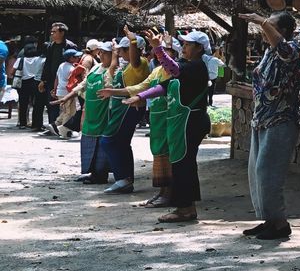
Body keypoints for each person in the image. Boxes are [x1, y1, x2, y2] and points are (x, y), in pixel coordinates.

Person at [128, 30, 213, 224]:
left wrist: (157, 48)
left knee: (183, 164)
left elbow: (173, 70)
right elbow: (165, 86)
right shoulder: (186, 65)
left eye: (188, 45)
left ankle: (184, 209)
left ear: (199, 48)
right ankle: (187, 206)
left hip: (190, 122)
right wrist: (140, 96)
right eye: (182, 44)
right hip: (181, 122)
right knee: (182, 164)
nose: (183, 47)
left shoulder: (198, 66)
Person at [240, 11, 300, 241]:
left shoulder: (291, 50)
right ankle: (269, 220)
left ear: (282, 31)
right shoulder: (268, 52)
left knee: (269, 173)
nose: (263, 31)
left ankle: (280, 223)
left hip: (281, 119)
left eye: (269, 27)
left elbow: (283, 50)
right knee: (257, 172)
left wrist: (260, 20)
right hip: (262, 118)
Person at [97, 34, 151, 195]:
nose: (120, 54)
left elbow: (135, 58)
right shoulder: (125, 65)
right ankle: (126, 179)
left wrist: (132, 40)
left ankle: (122, 179)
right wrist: (115, 52)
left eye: (123, 50)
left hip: (129, 106)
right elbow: (113, 69)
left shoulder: (140, 63)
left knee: (109, 141)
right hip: (122, 106)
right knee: (122, 143)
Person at [63, 40, 114, 184]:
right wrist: (67, 97)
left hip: (103, 113)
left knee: (101, 146)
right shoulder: (95, 68)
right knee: (89, 143)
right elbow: (83, 85)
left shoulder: (112, 71)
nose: (101, 55)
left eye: (106, 53)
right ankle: (91, 172)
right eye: (101, 52)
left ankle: (100, 175)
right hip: (91, 112)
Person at [36, 22, 73, 135]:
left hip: (65, 81)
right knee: (51, 104)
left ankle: (65, 128)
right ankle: (52, 127)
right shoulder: (51, 46)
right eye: (51, 32)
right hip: (52, 80)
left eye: (54, 32)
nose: (52, 34)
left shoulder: (70, 46)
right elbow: (48, 64)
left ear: (62, 33)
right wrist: (43, 80)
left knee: (67, 106)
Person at [15, 41, 43, 129]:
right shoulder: (38, 59)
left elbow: (12, 71)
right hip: (35, 82)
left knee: (23, 103)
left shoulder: (21, 59)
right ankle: (35, 123)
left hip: (23, 83)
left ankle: (22, 123)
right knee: (36, 103)